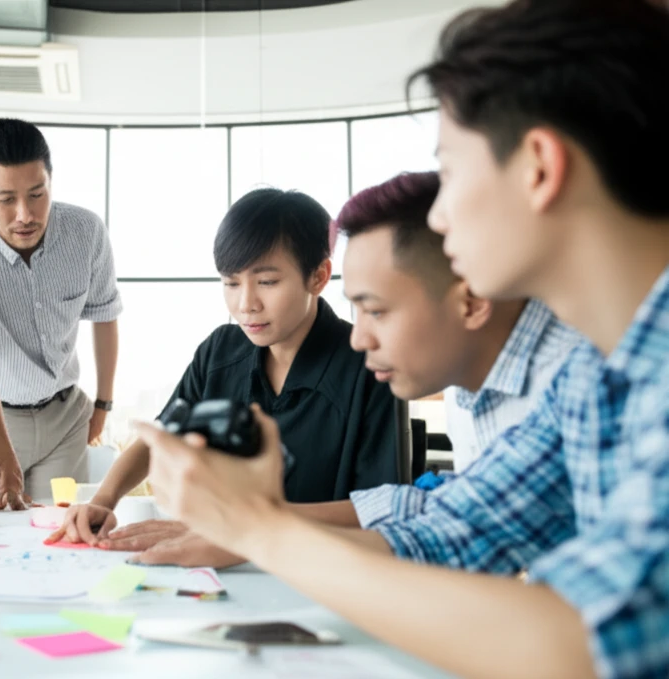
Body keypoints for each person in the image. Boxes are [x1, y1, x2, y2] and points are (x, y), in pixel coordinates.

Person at [140, 0, 669, 675]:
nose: (439, 217)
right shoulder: (594, 376)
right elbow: (449, 529)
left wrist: (257, 525)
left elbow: (587, 644)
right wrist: (250, 525)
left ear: (538, 166)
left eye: (448, 173)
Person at [97, 171, 582, 567]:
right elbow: (441, 513)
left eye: (377, 310)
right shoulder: (479, 399)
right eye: (230, 283)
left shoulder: (576, 387)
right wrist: (254, 528)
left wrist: (257, 530)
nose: (360, 336)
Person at [49, 188, 401, 545]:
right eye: (231, 283)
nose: (246, 304)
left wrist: (230, 529)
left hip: (324, 572)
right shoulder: (220, 352)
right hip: (220, 566)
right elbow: (162, 436)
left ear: (319, 277)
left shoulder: (371, 366)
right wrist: (102, 502)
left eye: (267, 282)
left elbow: (382, 511)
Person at [0, 119, 121, 511]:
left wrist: (103, 404)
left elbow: (104, 315)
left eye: (37, 194)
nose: (25, 215)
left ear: (51, 181)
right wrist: (1, 461)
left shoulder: (86, 232)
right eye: (5, 199)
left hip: (65, 417)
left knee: (61, 535)